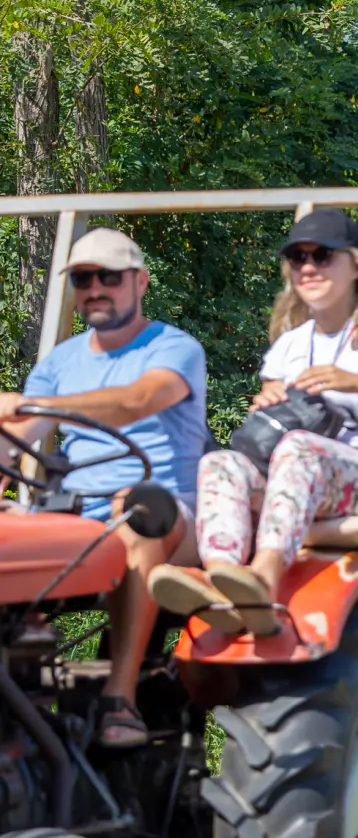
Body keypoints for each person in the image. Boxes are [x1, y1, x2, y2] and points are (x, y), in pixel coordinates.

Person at [149, 209, 358, 636]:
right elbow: (274, 434)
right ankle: (223, 581)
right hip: (305, 476)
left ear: (355, 265)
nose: (308, 267)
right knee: (221, 463)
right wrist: (265, 404)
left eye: (322, 255)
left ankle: (263, 579)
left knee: (300, 448)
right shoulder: (290, 346)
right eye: (297, 257)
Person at [0, 227, 208, 747]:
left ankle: (120, 701)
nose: (95, 287)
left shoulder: (174, 348)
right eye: (83, 278)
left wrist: (34, 407)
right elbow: (18, 437)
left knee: (132, 510)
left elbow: (138, 400)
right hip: (77, 516)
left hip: (169, 514)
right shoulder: (61, 361)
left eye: (109, 277)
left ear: (139, 282)